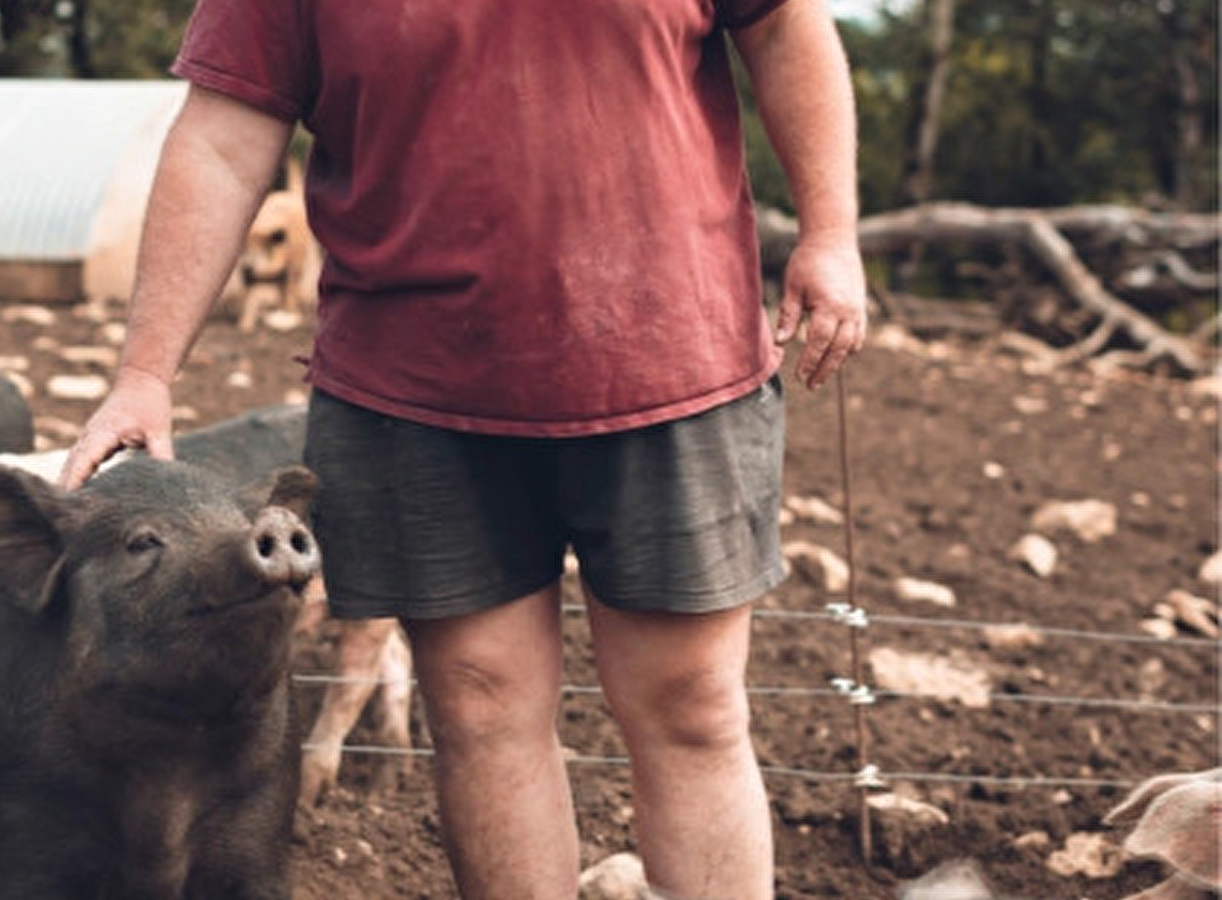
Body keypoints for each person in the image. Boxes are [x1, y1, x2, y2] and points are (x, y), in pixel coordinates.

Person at [59, 0, 868, 896]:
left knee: (693, 706)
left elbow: (786, 27)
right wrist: (145, 373)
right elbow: (222, 136)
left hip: (666, 355)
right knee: (480, 708)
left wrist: (830, 232)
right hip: (415, 385)